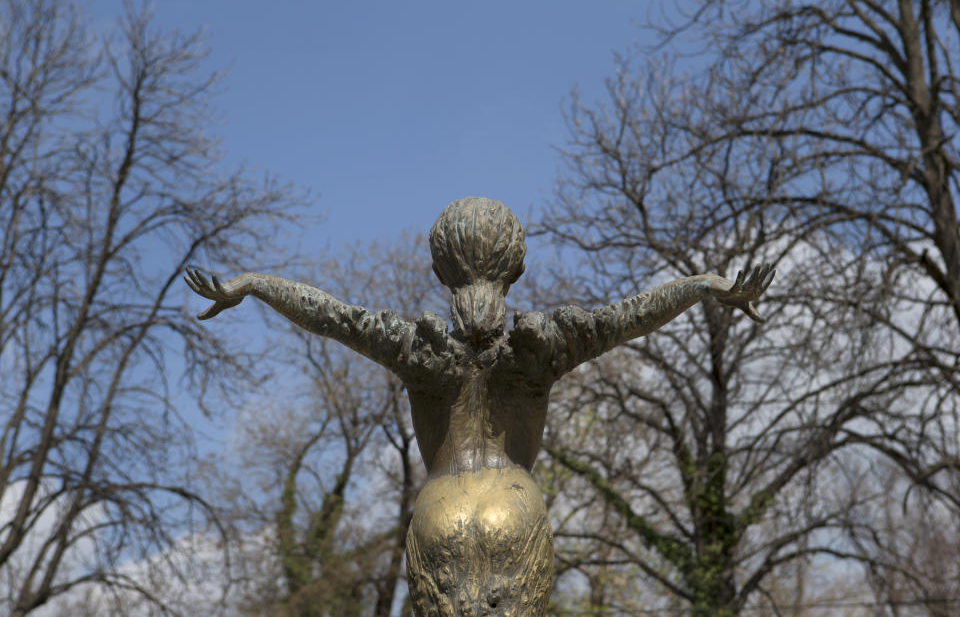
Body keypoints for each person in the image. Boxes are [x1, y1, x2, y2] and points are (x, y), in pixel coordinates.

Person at [185, 196, 774, 616]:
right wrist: (704, 285)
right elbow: (630, 316)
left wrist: (255, 283)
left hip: (439, 510)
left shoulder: (417, 348)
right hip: (514, 511)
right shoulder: (540, 347)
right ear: (517, 266)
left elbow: (334, 317)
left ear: (440, 269)